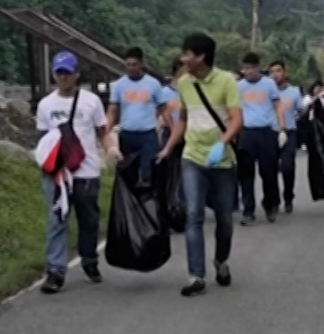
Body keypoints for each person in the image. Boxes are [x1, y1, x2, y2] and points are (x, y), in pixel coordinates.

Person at [161, 32, 243, 295]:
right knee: (193, 215)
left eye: (187, 54)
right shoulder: (184, 84)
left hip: (222, 161)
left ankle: (221, 261)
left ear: (201, 57)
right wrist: (169, 147)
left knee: (224, 221)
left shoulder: (226, 81)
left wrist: (223, 143)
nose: (182, 58)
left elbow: (236, 119)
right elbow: (183, 119)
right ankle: (196, 275)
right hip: (193, 158)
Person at [35, 51, 109, 294]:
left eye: (67, 73)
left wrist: (111, 149)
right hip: (57, 174)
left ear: (77, 74)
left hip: (85, 171)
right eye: (59, 73)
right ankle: (55, 271)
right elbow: (43, 138)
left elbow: (101, 131)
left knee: (88, 219)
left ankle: (89, 259)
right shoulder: (46, 105)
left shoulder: (92, 101)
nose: (63, 77)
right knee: (57, 221)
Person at [233, 52, 283, 225]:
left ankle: (270, 206)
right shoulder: (239, 87)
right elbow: (235, 111)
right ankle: (248, 211)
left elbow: (277, 106)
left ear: (257, 67)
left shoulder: (269, 84)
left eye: (251, 68)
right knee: (246, 174)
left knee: (268, 172)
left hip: (266, 133)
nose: (248, 71)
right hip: (247, 133)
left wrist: (281, 128)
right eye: (245, 68)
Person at [107, 47, 165, 190]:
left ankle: (151, 205)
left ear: (141, 64)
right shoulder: (119, 85)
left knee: (149, 174)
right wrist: (106, 131)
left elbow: (163, 108)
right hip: (127, 134)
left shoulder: (153, 84)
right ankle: (131, 208)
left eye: (135, 64)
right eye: (128, 65)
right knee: (128, 175)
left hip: (147, 135)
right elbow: (113, 110)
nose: (131, 68)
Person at [269, 61, 303, 215]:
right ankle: (274, 200)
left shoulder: (294, 92)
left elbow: (301, 110)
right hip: (270, 133)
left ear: (285, 72)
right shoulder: (266, 91)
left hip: (289, 132)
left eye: (278, 71)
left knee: (287, 167)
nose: (275, 74)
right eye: (272, 72)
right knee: (270, 169)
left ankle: (288, 196)